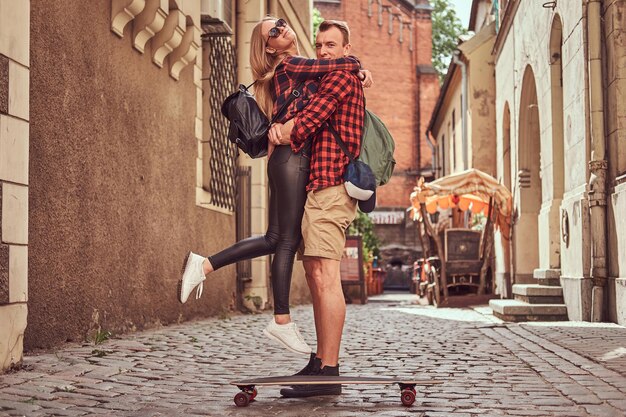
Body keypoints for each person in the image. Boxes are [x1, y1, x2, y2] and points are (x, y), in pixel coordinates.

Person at [178, 16, 372, 356]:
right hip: (292, 159)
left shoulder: (295, 68)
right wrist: (358, 68)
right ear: (270, 47)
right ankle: (281, 321)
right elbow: (341, 66)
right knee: (286, 240)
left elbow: (333, 74)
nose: (282, 29)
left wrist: (359, 73)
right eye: (274, 32)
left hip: (286, 159)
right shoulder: (293, 64)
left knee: (275, 238)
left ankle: (205, 265)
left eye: (281, 24)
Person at [268, 19, 367, 398]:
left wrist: (282, 130)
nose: (324, 51)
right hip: (319, 188)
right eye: (320, 44)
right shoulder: (335, 74)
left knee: (325, 275)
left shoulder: (342, 78)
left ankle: (329, 369)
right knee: (315, 273)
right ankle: (321, 362)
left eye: (331, 45)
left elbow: (307, 122)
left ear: (345, 48)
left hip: (332, 188)